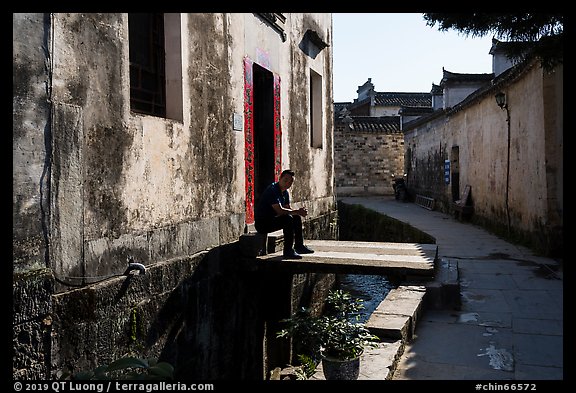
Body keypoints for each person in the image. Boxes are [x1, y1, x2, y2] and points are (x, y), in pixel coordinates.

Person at [254, 169, 315, 259]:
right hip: (262, 224)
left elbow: (287, 209)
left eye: (290, 182)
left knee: (295, 217)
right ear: (280, 178)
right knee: (287, 219)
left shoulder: (285, 192)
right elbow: (280, 211)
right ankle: (288, 251)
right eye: (285, 180)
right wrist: (297, 211)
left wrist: (298, 212)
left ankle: (299, 246)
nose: (288, 183)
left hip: (273, 220)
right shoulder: (272, 190)